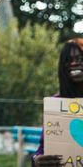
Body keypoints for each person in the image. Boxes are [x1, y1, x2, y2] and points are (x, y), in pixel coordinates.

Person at [32, 38, 83, 167]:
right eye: (68, 60)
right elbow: (43, 148)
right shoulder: (55, 104)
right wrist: (36, 160)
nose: (74, 64)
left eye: (79, 59)